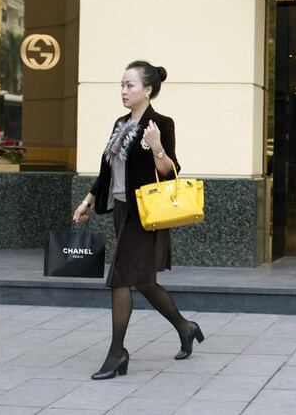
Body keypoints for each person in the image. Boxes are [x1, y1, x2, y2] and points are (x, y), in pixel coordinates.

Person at [72, 61, 202, 380]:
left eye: (130, 85)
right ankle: (186, 327)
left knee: (119, 279)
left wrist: (157, 146)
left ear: (147, 89)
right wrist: (88, 200)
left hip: (146, 215)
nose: (124, 91)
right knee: (143, 281)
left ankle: (117, 354)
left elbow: (170, 174)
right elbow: (107, 170)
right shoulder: (120, 123)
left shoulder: (161, 123)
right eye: (121, 85)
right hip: (120, 210)